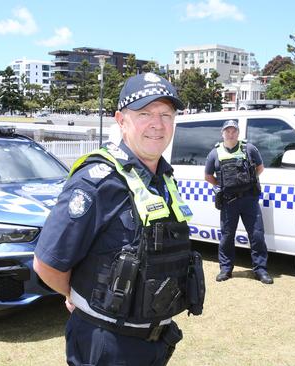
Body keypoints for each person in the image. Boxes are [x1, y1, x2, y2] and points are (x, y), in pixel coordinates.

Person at [33, 72, 205, 366]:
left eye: (166, 113)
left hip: (156, 342)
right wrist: (75, 296)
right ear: (121, 120)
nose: (157, 123)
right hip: (107, 344)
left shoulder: (162, 178)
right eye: (145, 113)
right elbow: (47, 263)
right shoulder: (97, 182)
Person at [204, 120, 273, 284]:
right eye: (227, 131)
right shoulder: (215, 153)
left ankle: (261, 270)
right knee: (227, 236)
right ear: (222, 133)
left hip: (249, 199)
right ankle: (225, 269)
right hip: (229, 201)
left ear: (238, 132)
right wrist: (223, 185)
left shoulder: (249, 148)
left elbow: (260, 168)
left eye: (233, 131)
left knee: (257, 235)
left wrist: (246, 181)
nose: (230, 133)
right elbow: (208, 176)